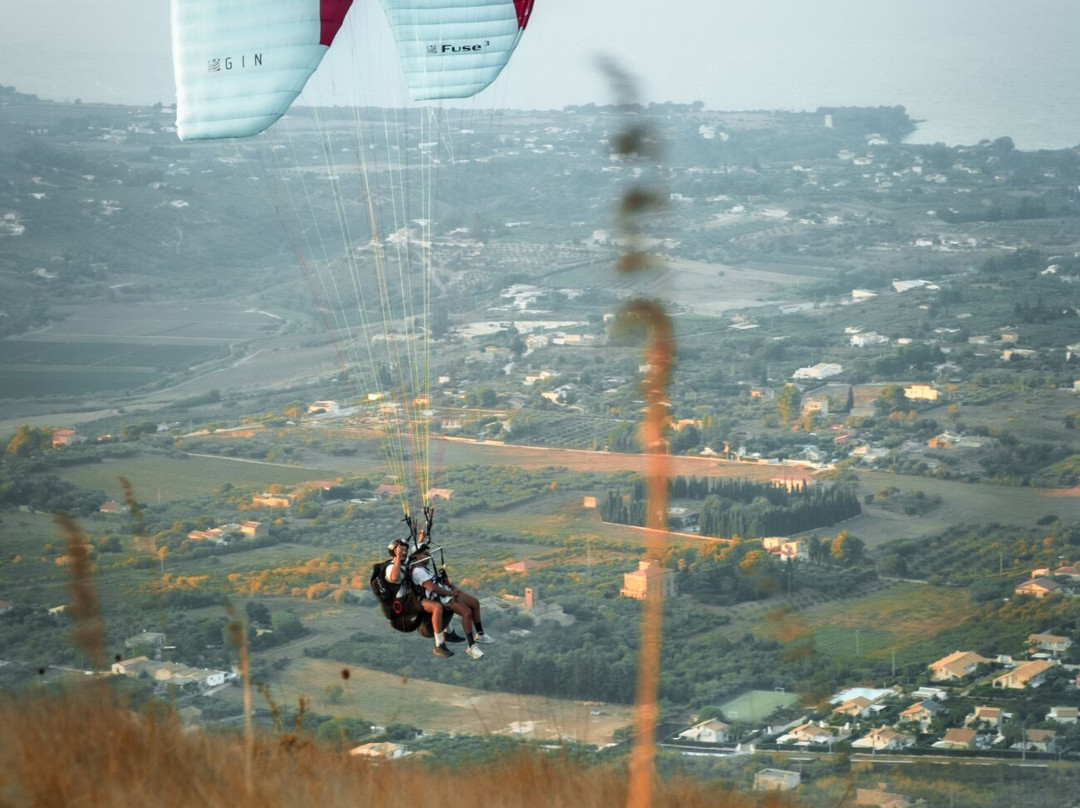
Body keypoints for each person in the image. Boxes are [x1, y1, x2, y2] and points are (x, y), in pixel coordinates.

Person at [410, 533, 494, 660]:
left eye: (428, 553)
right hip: (440, 597)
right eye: (425, 554)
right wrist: (450, 593)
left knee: (474, 603)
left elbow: (438, 583)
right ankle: (471, 646)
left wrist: (450, 585)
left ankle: (480, 634)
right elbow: (432, 587)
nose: (429, 556)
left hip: (446, 592)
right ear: (417, 556)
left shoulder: (425, 569)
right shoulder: (417, 571)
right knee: (466, 613)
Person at [385, 537, 453, 658]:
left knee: (442, 598)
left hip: (412, 596)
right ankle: (439, 645)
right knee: (437, 607)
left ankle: (449, 632)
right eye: (402, 551)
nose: (404, 553)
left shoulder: (403, 563)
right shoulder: (391, 567)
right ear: (394, 553)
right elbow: (394, 577)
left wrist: (421, 538)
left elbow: (415, 554)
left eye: (405, 551)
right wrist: (397, 558)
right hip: (405, 603)